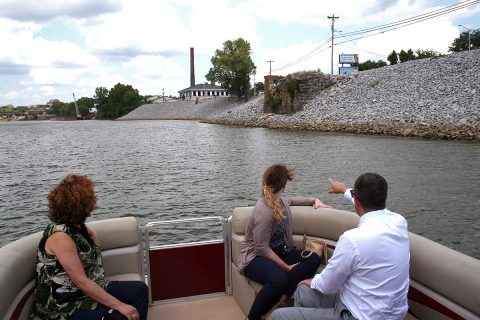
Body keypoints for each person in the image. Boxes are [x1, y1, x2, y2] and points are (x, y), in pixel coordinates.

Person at [270, 173, 410, 320]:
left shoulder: (352, 240)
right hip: (389, 313)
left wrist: (312, 281)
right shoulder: (399, 222)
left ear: (356, 201)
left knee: (279, 316)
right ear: (384, 197)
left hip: (358, 315)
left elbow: (328, 284)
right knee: (302, 292)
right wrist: (344, 190)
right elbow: (369, 206)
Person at [33, 174, 149, 320]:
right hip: (65, 304)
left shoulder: (77, 227)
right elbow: (81, 282)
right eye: (91, 200)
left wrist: (89, 234)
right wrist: (119, 305)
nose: (94, 205)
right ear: (80, 206)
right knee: (118, 316)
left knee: (140, 290)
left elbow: (94, 252)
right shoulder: (61, 237)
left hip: (89, 288)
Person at [237, 164, 330, 320]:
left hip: (281, 251)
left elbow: (292, 201)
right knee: (278, 279)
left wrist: (314, 200)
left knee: (313, 258)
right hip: (255, 259)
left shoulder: (279, 200)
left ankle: (285, 292)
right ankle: (252, 317)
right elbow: (261, 248)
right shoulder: (264, 211)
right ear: (283, 185)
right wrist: (286, 267)